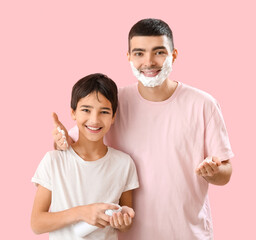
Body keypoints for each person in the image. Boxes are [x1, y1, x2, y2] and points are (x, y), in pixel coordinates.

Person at [53, 19, 234, 239]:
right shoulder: (114, 103)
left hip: (189, 233)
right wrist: (60, 141)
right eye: (139, 53)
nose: (148, 62)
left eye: (158, 52)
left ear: (173, 55)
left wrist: (213, 172)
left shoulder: (204, 104)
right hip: (128, 234)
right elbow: (75, 144)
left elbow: (225, 173)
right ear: (128, 57)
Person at [31, 73, 139, 240]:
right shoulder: (54, 160)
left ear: (113, 117)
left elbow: (126, 222)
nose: (94, 120)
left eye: (104, 111)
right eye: (86, 110)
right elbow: (37, 223)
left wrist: (124, 222)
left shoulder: (124, 164)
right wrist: (82, 213)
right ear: (73, 113)